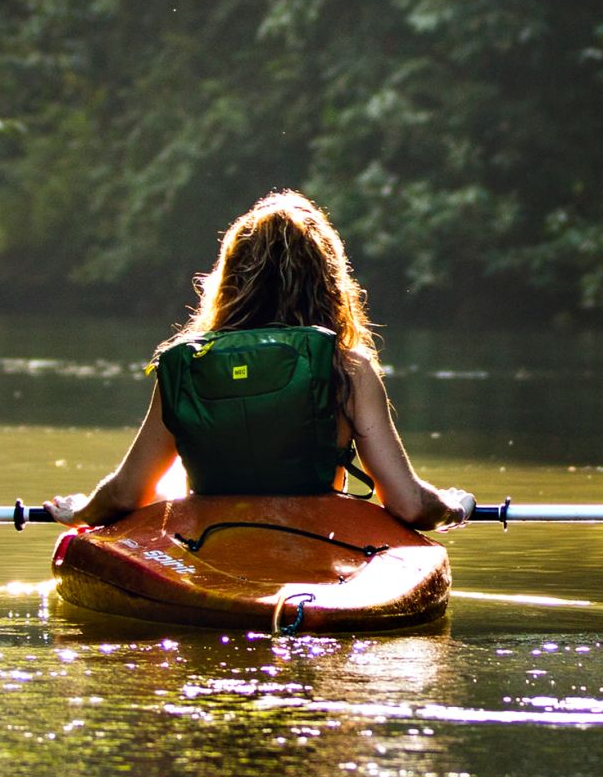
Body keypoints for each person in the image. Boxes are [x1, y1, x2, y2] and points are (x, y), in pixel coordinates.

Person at [46, 191, 473, 531]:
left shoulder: (188, 366)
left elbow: (126, 495)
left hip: (210, 543)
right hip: (317, 542)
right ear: (328, 282)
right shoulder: (349, 369)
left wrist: (82, 511)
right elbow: (410, 506)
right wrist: (452, 506)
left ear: (230, 279)